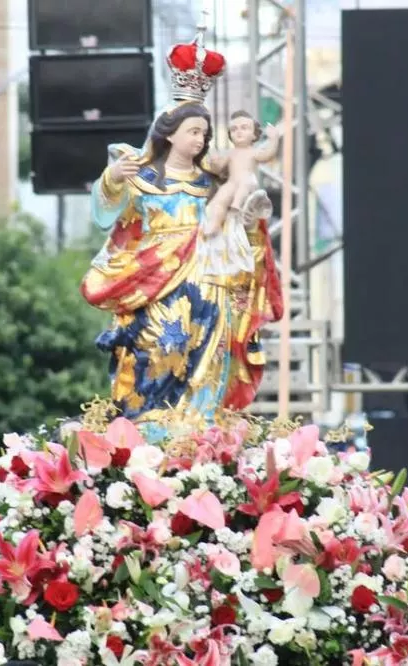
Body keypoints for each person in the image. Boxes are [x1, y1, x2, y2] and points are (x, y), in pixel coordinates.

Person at [81, 30, 282, 437]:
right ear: (169, 132)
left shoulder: (211, 181)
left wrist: (248, 225)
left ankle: (200, 422)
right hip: (154, 280)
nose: (200, 139)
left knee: (211, 348)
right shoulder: (143, 178)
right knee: (156, 348)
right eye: (193, 131)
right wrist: (114, 179)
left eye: (204, 134)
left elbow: (241, 219)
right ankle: (150, 420)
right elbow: (109, 214)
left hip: (208, 278)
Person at [203, 110, 281, 236]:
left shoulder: (253, 152)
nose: (238, 131)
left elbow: (267, 155)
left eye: (244, 128)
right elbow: (218, 168)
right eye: (234, 129)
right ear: (230, 135)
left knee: (245, 181)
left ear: (254, 135)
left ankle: (236, 208)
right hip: (232, 182)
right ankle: (215, 223)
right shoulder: (230, 153)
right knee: (219, 199)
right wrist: (213, 162)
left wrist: (274, 140)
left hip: (248, 182)